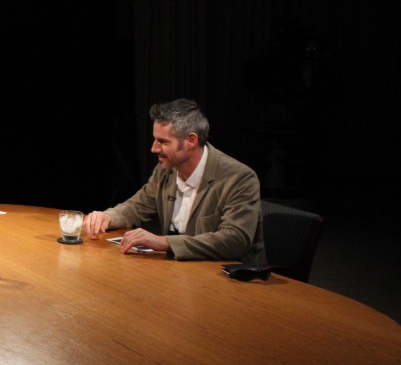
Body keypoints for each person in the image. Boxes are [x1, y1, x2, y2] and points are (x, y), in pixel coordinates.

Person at [83, 98, 267, 264]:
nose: (154, 148)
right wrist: (107, 217)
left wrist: (164, 242)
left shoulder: (239, 178)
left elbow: (234, 240)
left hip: (233, 280)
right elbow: (137, 207)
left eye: (162, 141)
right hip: (180, 272)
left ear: (191, 140)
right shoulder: (166, 170)